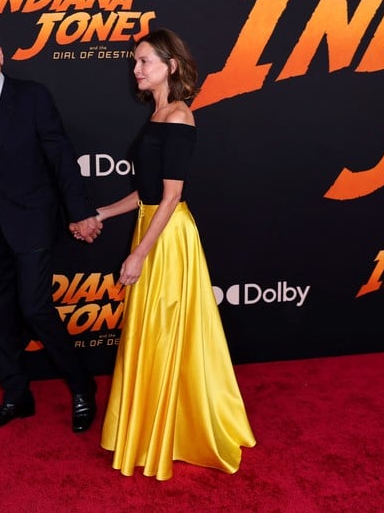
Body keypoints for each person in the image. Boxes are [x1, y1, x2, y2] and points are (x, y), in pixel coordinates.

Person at [79, 29, 256, 480]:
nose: (136, 69)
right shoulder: (158, 115)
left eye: (144, 62)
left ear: (170, 66)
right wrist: (99, 212)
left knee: (164, 332)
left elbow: (173, 197)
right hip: (153, 225)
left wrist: (138, 253)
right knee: (153, 332)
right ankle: (154, 426)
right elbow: (146, 193)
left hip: (168, 238)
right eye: (135, 62)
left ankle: (171, 430)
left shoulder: (179, 117)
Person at [0, 21, 102, 433]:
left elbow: (61, 157)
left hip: (32, 222)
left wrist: (80, 211)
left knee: (34, 308)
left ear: (2, 55)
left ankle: (83, 387)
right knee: (0, 315)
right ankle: (17, 396)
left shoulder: (32, 97)